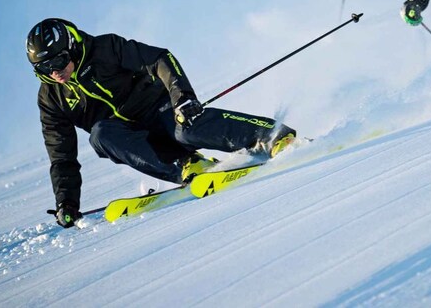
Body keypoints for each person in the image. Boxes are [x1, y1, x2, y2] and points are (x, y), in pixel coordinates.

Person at [26, 18, 296, 228]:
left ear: (71, 47)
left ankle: (273, 136)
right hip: (134, 137)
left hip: (161, 108)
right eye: (44, 69)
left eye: (59, 61)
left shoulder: (105, 48)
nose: (54, 72)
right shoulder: (52, 98)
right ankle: (188, 165)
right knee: (100, 135)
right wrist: (66, 202)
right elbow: (61, 156)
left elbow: (158, 59)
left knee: (186, 130)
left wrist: (183, 98)